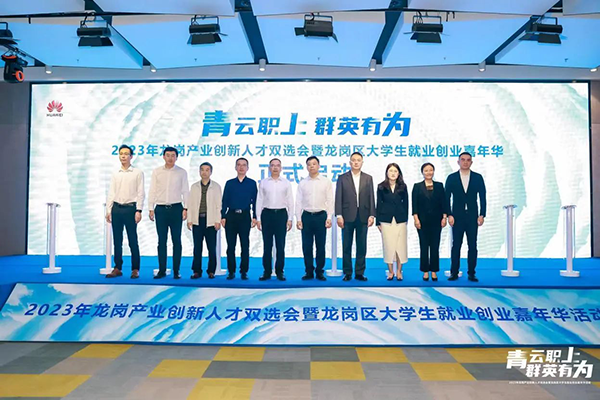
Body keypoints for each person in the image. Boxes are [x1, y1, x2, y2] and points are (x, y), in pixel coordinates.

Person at [148, 147, 189, 279]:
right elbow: (152, 190)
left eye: (173, 155)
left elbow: (185, 191)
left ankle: (176, 270)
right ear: (163, 156)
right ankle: (162, 270)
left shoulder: (182, 172)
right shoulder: (157, 172)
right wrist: (150, 208)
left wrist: (186, 208)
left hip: (176, 209)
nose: (170, 158)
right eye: (168, 155)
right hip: (160, 209)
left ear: (176, 157)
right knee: (162, 241)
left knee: (176, 240)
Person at [445, 152, 487, 282]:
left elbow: (482, 197)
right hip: (457, 217)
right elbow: (446, 198)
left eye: (468, 160)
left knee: (472, 245)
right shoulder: (452, 178)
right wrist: (449, 215)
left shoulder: (477, 177)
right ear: (458, 162)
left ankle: (472, 273)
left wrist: (482, 214)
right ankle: (454, 272)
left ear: (471, 162)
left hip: (472, 217)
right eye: (462, 160)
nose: (465, 162)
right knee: (456, 245)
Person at [105, 145, 144, 279]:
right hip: (116, 208)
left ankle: (135, 269)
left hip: (130, 209)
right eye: (121, 153)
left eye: (126, 154)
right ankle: (117, 268)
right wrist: (109, 210)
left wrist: (139, 210)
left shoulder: (137, 172)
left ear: (131, 156)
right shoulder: (115, 173)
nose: (123, 156)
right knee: (117, 240)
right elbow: (111, 192)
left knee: (133, 240)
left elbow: (140, 192)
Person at [335, 152, 376, 281]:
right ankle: (347, 272)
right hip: (347, 216)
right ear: (350, 162)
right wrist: (339, 215)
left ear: (362, 162)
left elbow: (371, 197)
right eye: (354, 160)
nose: (356, 162)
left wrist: (372, 215)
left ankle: (359, 272)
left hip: (363, 215)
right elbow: (338, 197)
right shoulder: (342, 178)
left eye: (359, 160)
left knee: (361, 246)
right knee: (346, 245)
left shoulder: (368, 178)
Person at [296, 156, 334, 281]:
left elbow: (330, 200)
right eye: (309, 164)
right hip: (306, 216)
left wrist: (329, 217)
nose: (311, 166)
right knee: (307, 246)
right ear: (306, 167)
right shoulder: (303, 183)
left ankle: (319, 271)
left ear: (319, 166)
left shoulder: (325, 182)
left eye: (314, 164)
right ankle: (308, 271)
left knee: (320, 246)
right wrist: (298, 219)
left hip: (321, 216)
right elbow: (298, 202)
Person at [256, 158, 293, 281]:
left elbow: (290, 201)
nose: (275, 168)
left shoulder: (286, 183)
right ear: (269, 168)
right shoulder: (264, 182)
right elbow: (259, 200)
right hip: (267, 214)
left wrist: (290, 218)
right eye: (272, 165)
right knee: (267, 245)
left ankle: (279, 271)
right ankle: (267, 271)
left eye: (277, 165)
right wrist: (258, 218)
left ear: (281, 168)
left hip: (281, 215)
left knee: (280, 245)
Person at [221, 157, 257, 280]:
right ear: (235, 167)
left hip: (245, 216)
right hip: (231, 216)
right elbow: (224, 201)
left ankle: (244, 271)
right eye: (239, 165)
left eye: (244, 165)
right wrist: (223, 216)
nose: (241, 167)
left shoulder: (252, 183)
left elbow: (255, 201)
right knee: (230, 246)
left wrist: (255, 216)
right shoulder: (229, 183)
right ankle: (231, 271)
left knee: (245, 245)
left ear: (247, 168)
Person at [412, 162, 447, 281]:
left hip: (437, 221)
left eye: (431, 170)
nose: (428, 172)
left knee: (435, 246)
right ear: (422, 172)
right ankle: (425, 271)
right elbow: (414, 205)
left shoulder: (439, 186)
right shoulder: (417, 186)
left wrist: (444, 217)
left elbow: (444, 203)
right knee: (424, 246)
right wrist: (416, 219)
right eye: (426, 170)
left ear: (434, 171)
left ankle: (434, 271)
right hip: (422, 221)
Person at [187, 162, 222, 279]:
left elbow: (218, 205)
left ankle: (211, 270)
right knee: (197, 247)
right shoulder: (194, 187)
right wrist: (190, 219)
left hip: (211, 220)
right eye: (202, 170)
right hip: (197, 220)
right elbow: (191, 204)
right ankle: (197, 271)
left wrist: (217, 220)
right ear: (199, 172)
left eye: (207, 170)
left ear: (211, 172)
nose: (204, 172)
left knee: (211, 248)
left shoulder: (216, 187)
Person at [376, 163, 409, 281]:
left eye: (395, 171)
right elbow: (379, 204)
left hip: (400, 220)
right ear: (387, 173)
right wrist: (377, 222)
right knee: (388, 246)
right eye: (391, 171)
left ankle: (399, 271)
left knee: (400, 246)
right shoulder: (381, 186)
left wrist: (405, 219)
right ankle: (390, 271)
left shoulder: (403, 186)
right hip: (386, 220)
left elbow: (406, 203)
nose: (393, 173)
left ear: (399, 173)